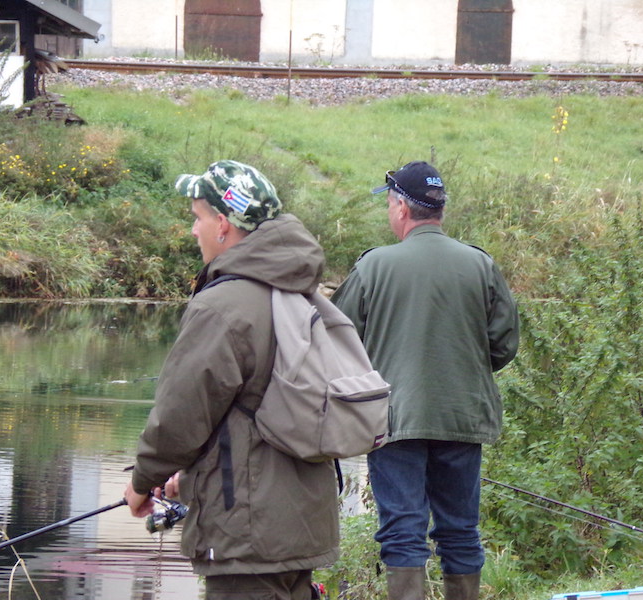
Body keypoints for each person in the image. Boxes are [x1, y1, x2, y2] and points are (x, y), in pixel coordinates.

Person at [124, 159, 339, 600]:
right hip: (301, 522)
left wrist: (142, 481)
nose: (194, 230)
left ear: (222, 224)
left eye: (198, 218)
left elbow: (180, 418)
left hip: (246, 531)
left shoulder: (221, 306)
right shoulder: (299, 292)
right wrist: (191, 476)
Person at [331, 161, 519, 600]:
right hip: (462, 415)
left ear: (400, 208)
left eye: (389, 205)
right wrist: (460, 370)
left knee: (402, 530)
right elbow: (504, 344)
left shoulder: (374, 266)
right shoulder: (480, 264)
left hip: (394, 419)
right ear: (440, 210)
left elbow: (336, 340)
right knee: (460, 530)